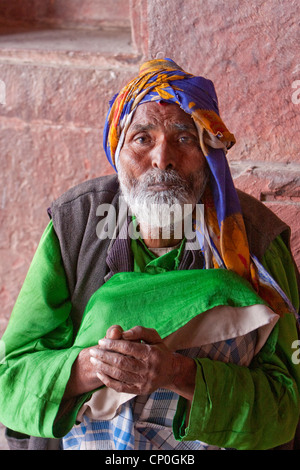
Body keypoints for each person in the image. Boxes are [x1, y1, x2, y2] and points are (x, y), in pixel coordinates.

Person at [0, 58, 299, 451]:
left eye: (184, 138)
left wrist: (178, 373)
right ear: (118, 151)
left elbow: (285, 405)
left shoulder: (254, 242)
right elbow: (12, 380)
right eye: (142, 138)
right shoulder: (75, 225)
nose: (162, 159)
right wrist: (93, 366)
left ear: (209, 153)